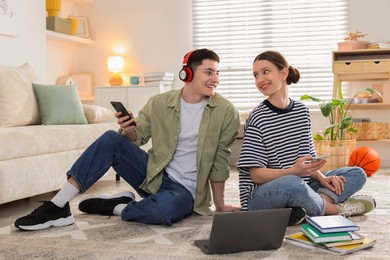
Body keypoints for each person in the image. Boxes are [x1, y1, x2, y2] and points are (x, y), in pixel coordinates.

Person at [15, 48, 241, 231]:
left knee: (163, 211)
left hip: (186, 191)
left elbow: (220, 160)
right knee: (112, 138)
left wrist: (220, 204)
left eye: (217, 73)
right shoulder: (159, 103)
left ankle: (118, 206)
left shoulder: (225, 111)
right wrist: (128, 129)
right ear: (187, 74)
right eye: (209, 72)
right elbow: (137, 138)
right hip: (154, 175)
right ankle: (58, 205)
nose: (216, 79)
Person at [237, 51, 376, 226]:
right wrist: (293, 172)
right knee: (293, 183)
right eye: (256, 75)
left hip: (301, 184)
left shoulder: (302, 112)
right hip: (260, 197)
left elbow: (308, 164)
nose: (259, 79)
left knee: (357, 173)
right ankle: (335, 209)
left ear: (284, 73)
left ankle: (306, 207)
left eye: (265, 71)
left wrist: (323, 179)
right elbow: (256, 175)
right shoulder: (257, 117)